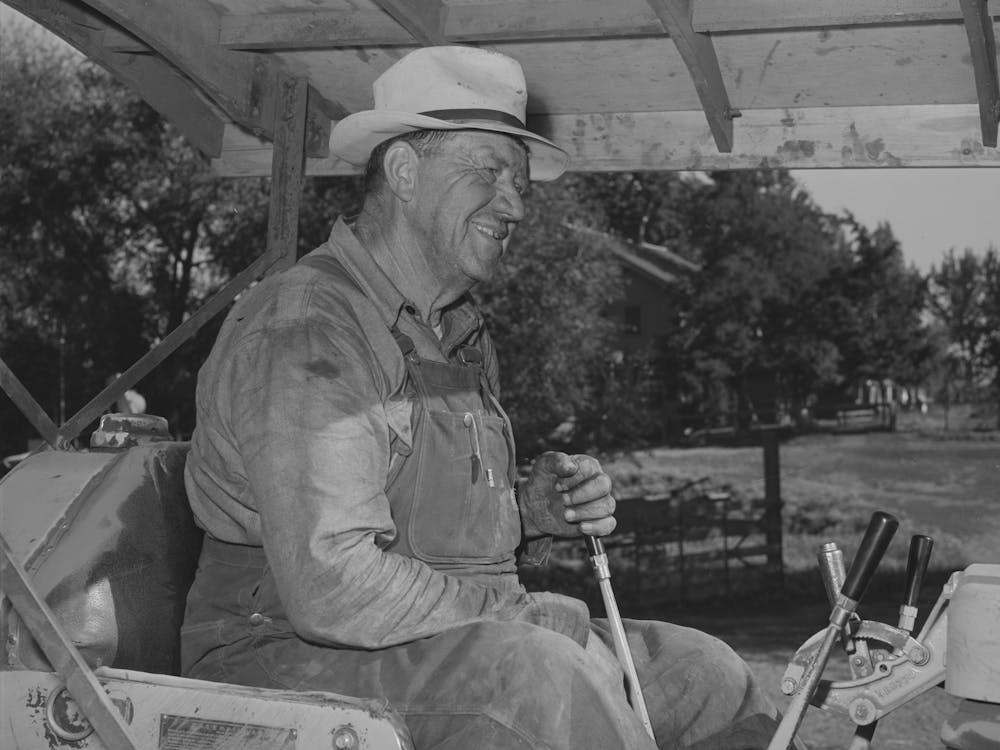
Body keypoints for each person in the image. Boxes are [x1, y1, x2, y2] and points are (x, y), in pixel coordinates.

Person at [182, 46, 795, 750]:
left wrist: (529, 513)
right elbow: (333, 585)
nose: (516, 205)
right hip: (279, 657)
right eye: (489, 172)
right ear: (403, 171)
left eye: (521, 184)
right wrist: (525, 619)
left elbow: (428, 526)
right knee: (543, 685)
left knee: (705, 675)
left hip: (450, 642)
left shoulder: (459, 335)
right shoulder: (309, 329)